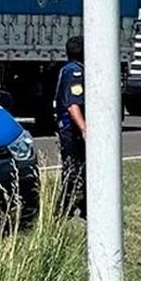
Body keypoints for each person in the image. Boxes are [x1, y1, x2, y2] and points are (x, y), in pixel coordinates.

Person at [54, 35, 88, 219]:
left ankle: (85, 208)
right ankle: (63, 212)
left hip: (71, 127)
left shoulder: (69, 69)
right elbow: (73, 105)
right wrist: (84, 129)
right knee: (73, 170)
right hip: (72, 129)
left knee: (83, 169)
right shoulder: (75, 72)